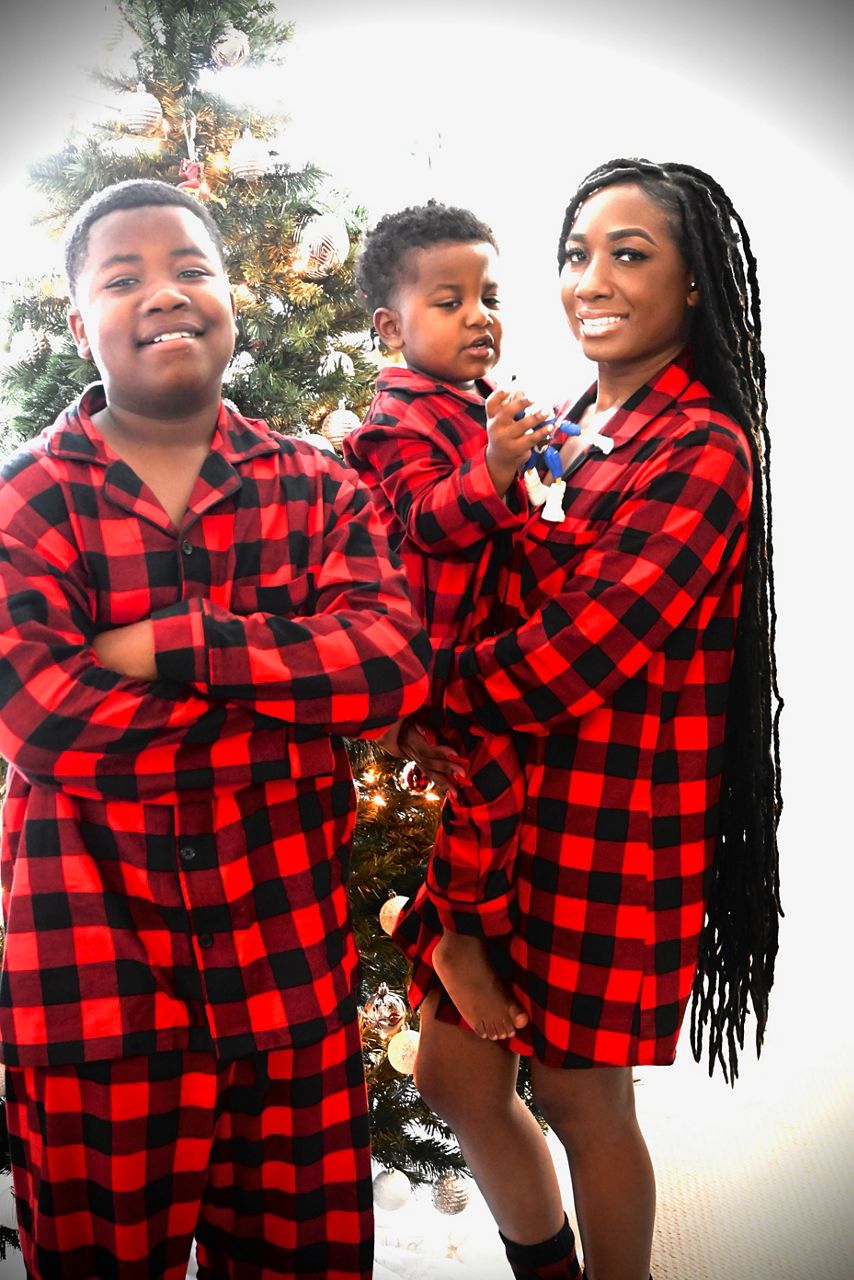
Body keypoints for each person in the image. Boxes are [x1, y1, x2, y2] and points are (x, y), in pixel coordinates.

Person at [0, 178, 431, 1280]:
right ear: (75, 317)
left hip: (288, 980)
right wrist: (291, 719)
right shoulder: (25, 504)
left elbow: (386, 665)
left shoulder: (319, 487)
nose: (164, 294)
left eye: (191, 267)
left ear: (231, 292)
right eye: (123, 277)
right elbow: (45, 721)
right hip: (96, 990)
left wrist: (176, 644)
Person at [396, 159, 783, 1280]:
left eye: (628, 253)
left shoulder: (701, 446)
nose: (590, 280)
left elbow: (574, 659)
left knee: (576, 1091)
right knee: (454, 1074)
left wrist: (414, 689)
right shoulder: (563, 418)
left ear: (693, 282)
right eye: (574, 254)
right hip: (508, 809)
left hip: (608, 824)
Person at [343, 201, 554, 1041]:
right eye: (449, 300)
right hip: (435, 650)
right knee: (488, 788)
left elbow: (532, 499)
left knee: (505, 788)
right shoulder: (394, 418)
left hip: (494, 635)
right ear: (392, 328)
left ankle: (462, 920)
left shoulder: (485, 399)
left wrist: (548, 454)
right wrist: (497, 463)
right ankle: (456, 935)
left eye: (490, 296)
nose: (480, 317)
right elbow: (429, 518)